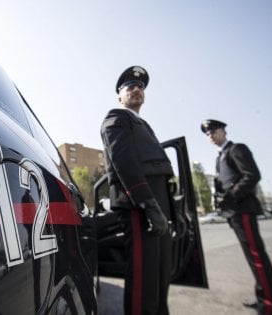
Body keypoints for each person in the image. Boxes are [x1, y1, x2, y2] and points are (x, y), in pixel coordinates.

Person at [101, 66, 174, 315]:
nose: (136, 90)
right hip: (138, 204)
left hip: (158, 203)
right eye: (129, 87)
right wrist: (147, 204)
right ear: (119, 95)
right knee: (145, 280)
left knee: (160, 276)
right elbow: (124, 163)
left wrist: (172, 211)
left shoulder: (143, 124)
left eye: (140, 87)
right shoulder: (116, 118)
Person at [200, 119, 272, 315]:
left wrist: (231, 195)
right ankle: (262, 297)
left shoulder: (236, 149)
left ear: (223, 131)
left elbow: (252, 175)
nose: (210, 135)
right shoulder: (219, 157)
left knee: (257, 257)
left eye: (213, 130)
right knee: (251, 258)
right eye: (207, 134)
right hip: (234, 212)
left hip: (243, 209)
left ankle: (271, 304)